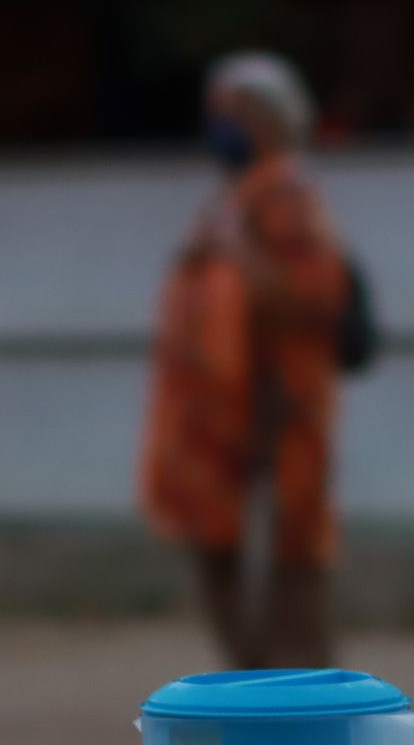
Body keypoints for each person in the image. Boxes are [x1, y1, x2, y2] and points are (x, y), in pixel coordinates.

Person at [139, 51, 352, 670]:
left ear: (270, 119)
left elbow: (314, 296)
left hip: (279, 414)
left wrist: (235, 255)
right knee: (219, 563)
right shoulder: (231, 202)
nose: (219, 126)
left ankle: (302, 701)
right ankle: (252, 688)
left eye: (232, 113)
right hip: (217, 429)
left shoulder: (285, 199)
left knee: (291, 567)